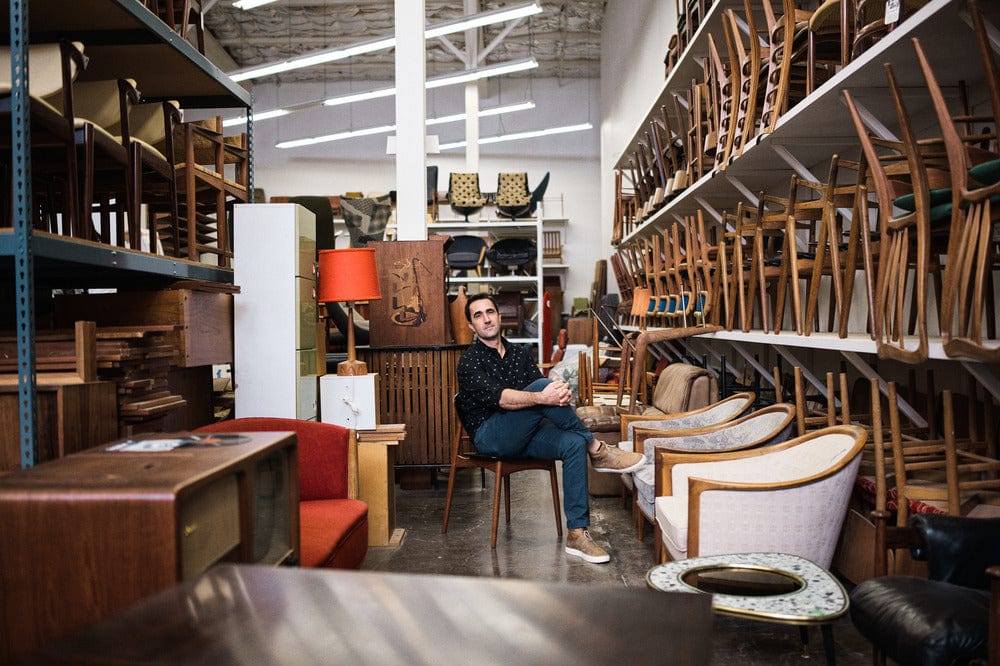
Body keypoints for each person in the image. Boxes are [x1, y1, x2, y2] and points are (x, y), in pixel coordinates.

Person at [455, 293, 645, 563]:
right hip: (492, 436)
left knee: (573, 443)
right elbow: (503, 399)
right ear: (472, 326)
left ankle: (577, 534)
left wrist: (559, 394)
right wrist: (544, 395)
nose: (486, 319)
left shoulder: (518, 354)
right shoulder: (469, 361)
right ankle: (598, 449)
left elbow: (546, 398)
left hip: (524, 433)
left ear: (499, 316)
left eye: (490, 312)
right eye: (478, 315)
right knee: (544, 388)